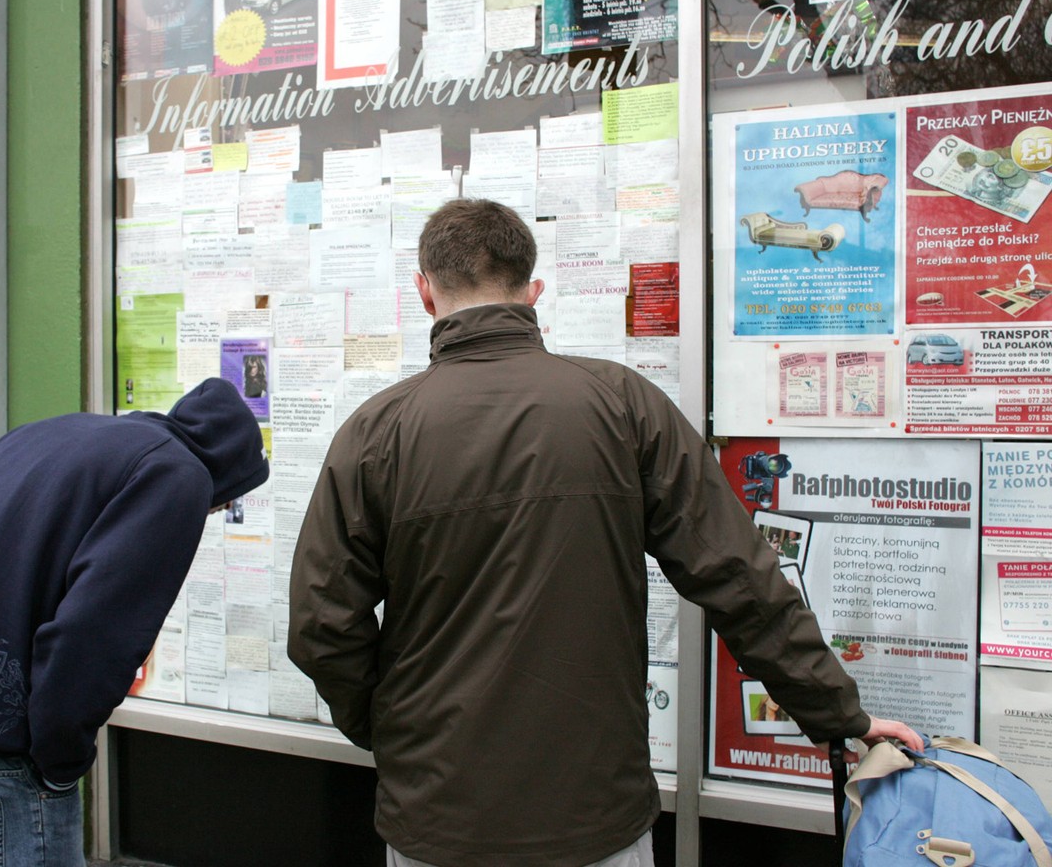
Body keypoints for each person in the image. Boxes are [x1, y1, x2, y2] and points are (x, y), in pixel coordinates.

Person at [287, 199, 921, 867]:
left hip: (437, 817)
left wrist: (386, 727)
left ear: (424, 292)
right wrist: (836, 713)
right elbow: (741, 578)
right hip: (596, 818)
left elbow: (321, 623)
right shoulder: (624, 405)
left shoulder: (375, 433)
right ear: (533, 293)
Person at [0, 376, 269, 867]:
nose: (220, 509)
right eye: (228, 500)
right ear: (228, 471)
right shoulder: (179, 476)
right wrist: (58, 766)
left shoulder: (54, 434)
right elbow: (94, 638)